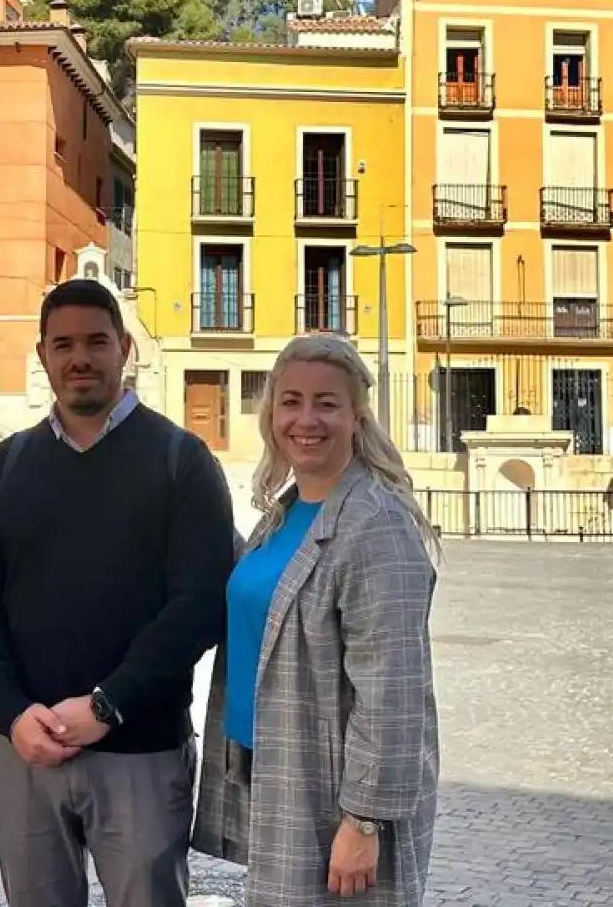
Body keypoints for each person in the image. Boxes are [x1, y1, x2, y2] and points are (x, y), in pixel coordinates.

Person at [0, 278, 236, 907]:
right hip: (25, 752)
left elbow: (198, 605)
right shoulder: (8, 465)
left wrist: (108, 706)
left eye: (96, 342)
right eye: (64, 344)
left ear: (124, 348)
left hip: (140, 752)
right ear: (43, 354)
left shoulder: (181, 461)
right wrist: (11, 712)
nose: (79, 357)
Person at [193, 334, 441, 906]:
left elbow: (393, 688)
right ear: (271, 415)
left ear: (356, 417)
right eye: (291, 401)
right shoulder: (284, 512)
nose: (306, 420)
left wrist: (364, 819)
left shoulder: (376, 523)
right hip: (275, 767)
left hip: (336, 795)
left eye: (326, 403)